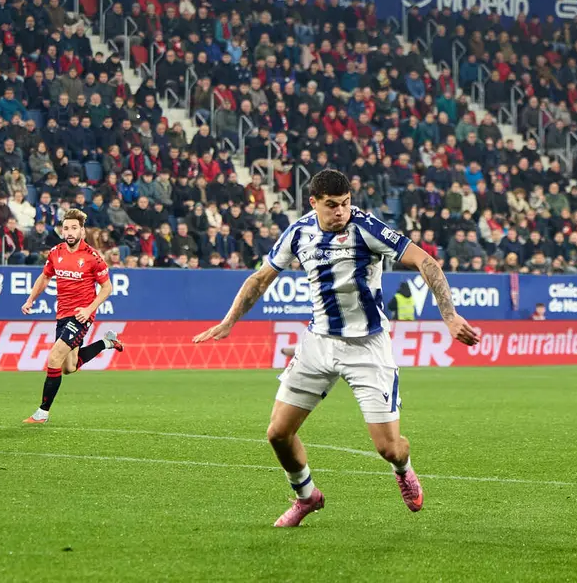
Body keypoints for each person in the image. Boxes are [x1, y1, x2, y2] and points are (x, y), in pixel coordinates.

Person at [193, 169, 480, 527]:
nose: (341, 212)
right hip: (319, 343)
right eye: (332, 206)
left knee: (388, 447)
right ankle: (307, 496)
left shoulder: (367, 228)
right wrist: (229, 321)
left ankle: (403, 469)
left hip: (368, 347)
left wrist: (449, 316)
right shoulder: (298, 233)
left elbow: (425, 261)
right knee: (278, 433)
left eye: (345, 203)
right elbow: (259, 278)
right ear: (313, 203)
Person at [20, 209, 124, 423]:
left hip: (81, 316)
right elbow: (44, 277)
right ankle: (107, 343)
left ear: (82, 231)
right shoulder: (56, 252)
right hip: (63, 315)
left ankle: (43, 412)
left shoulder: (93, 257)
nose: (69, 231)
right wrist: (31, 299)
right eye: (66, 228)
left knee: (54, 357)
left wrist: (89, 310)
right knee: (68, 367)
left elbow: (107, 288)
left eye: (74, 228)